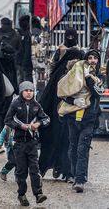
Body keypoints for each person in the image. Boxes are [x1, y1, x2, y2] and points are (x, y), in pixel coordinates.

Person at [38, 29, 83, 181]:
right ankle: (44, 168)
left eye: (72, 36)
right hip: (55, 108)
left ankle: (67, 172)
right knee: (52, 136)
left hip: (71, 109)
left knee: (69, 140)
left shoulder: (80, 56)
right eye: (68, 36)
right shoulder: (60, 54)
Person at [60, 49, 104, 193]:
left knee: (82, 148)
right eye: (89, 58)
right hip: (73, 117)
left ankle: (80, 180)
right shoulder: (74, 74)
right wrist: (74, 100)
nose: (92, 60)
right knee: (73, 148)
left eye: (95, 58)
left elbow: (97, 93)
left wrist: (89, 77)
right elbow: (63, 93)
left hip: (89, 118)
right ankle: (74, 174)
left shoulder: (99, 76)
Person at [4, 81, 50, 206]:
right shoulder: (15, 104)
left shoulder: (36, 105)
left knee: (35, 170)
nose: (29, 93)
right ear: (21, 92)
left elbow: (46, 119)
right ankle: (22, 194)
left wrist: (38, 124)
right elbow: (7, 120)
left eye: (31, 91)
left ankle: (38, 194)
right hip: (18, 143)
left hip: (32, 143)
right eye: (26, 91)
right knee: (21, 171)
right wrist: (20, 126)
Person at [16, 15, 33, 83]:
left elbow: (26, 50)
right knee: (25, 77)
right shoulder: (26, 34)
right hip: (24, 61)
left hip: (23, 61)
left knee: (23, 78)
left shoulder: (24, 34)